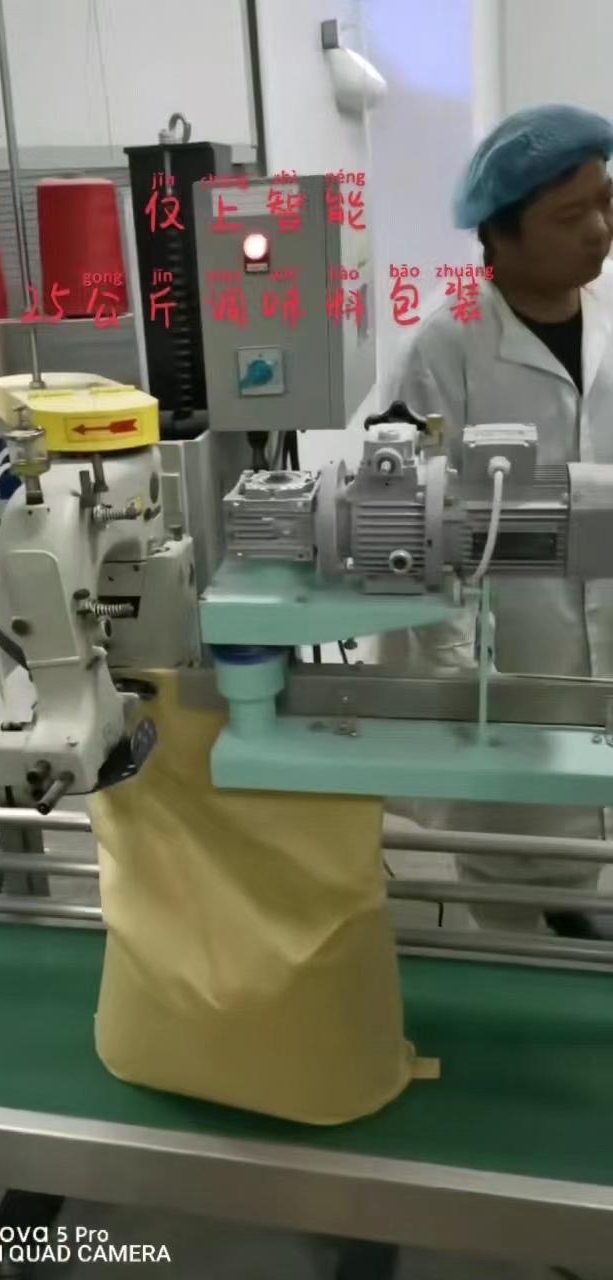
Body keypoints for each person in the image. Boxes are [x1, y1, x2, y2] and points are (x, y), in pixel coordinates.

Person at [381, 103, 613, 934]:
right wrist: (460, 681)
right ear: (499, 236)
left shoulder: (608, 320)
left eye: (606, 203)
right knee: (512, 879)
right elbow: (407, 523)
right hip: (504, 669)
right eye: (570, 215)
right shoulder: (445, 345)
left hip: (601, 654)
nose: (599, 230)